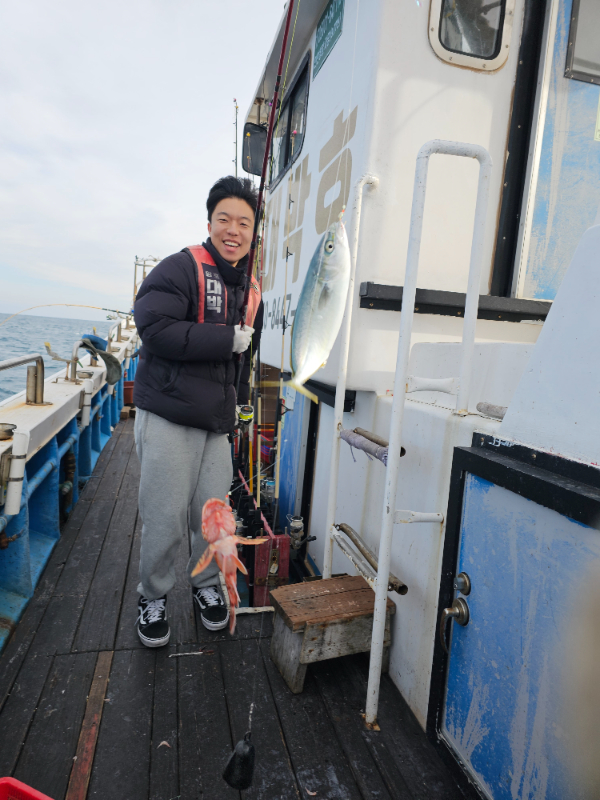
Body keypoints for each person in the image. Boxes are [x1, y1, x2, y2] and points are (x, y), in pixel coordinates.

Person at [132, 176, 263, 647]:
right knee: (164, 516)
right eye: (224, 219)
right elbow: (153, 326)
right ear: (209, 224)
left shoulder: (252, 289)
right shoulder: (180, 268)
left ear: (253, 233)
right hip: (170, 415)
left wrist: (241, 406)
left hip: (215, 425)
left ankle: (206, 586)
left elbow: (243, 360)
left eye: (244, 223)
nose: (234, 230)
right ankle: (152, 595)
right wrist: (225, 339)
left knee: (214, 515)